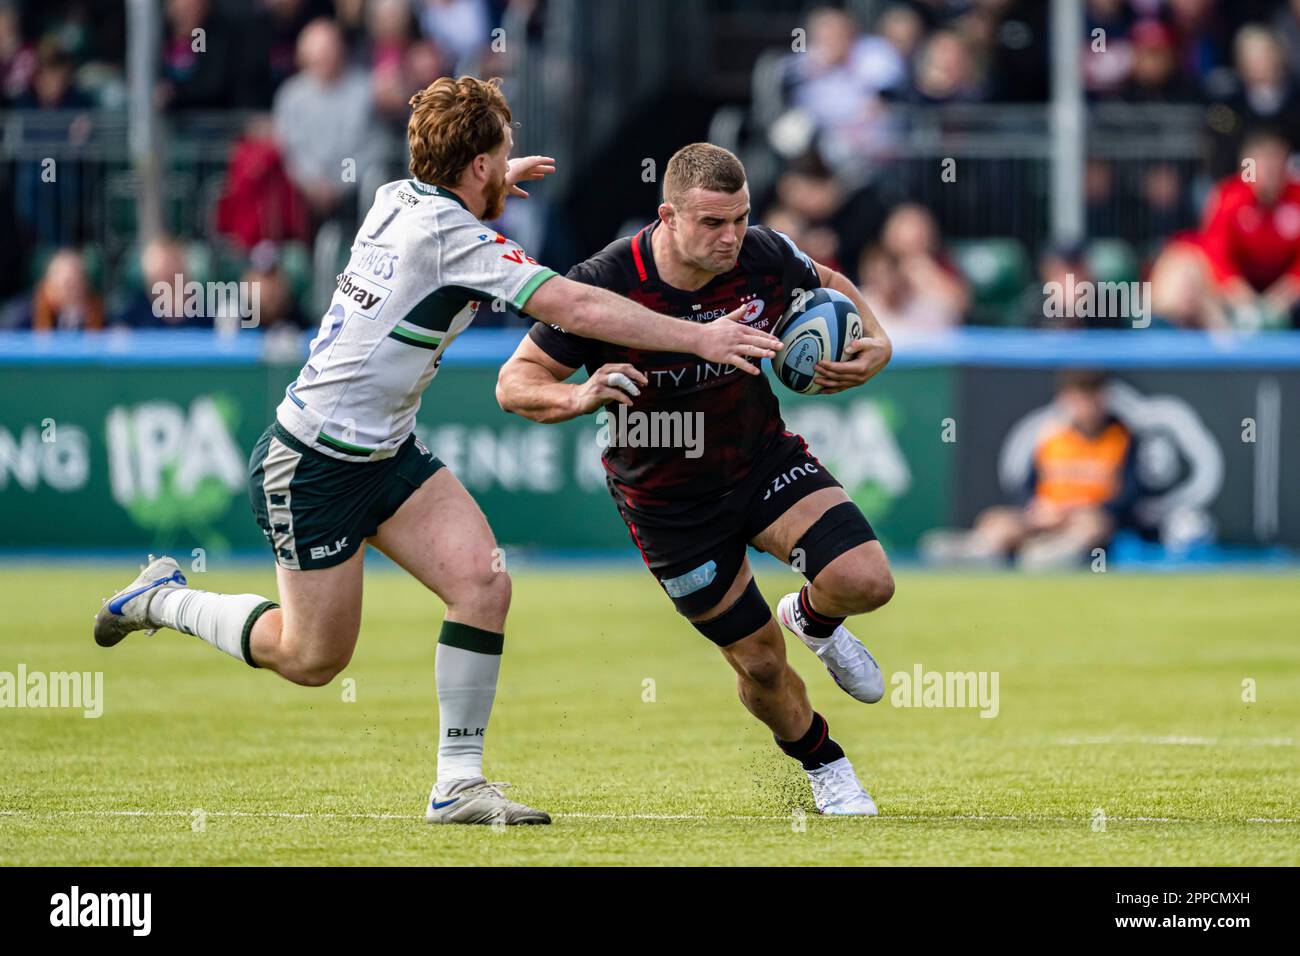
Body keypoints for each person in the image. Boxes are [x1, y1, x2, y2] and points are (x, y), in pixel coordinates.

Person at [92, 79, 780, 827]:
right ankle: (162, 598)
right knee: (312, 659)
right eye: (503, 155)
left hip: (387, 453)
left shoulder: (397, 195)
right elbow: (574, 306)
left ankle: (458, 783)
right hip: (312, 460)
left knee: (483, 584)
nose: (511, 165)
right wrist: (701, 336)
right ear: (476, 166)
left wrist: (493, 184)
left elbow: (447, 205)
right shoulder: (455, 239)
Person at [496, 143, 895, 816]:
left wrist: (878, 341)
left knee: (867, 581)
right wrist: (578, 397)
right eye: (712, 223)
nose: (730, 237)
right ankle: (824, 763)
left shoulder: (763, 254)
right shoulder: (603, 282)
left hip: (759, 459)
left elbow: (826, 279)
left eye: (738, 219)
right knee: (762, 665)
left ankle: (816, 621)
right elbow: (516, 384)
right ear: (668, 215)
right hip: (670, 506)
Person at [921, 371, 1139, 570]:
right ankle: (978, 550)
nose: (1086, 406)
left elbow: (1129, 494)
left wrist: (1076, 509)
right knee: (997, 519)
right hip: (1046, 516)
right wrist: (1037, 510)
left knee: (1093, 525)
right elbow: (1027, 487)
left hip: (1084, 517)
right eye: (1079, 397)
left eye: (1092, 397)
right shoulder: (1053, 436)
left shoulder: (1122, 438)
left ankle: (1054, 556)